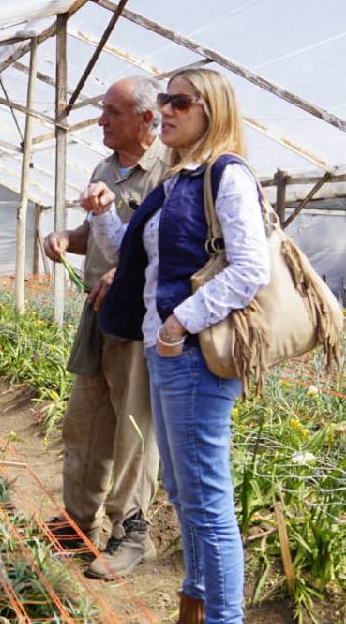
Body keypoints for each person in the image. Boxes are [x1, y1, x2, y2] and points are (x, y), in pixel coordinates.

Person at [83, 69, 269, 624]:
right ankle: (193, 606)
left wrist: (177, 324)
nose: (165, 108)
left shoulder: (227, 176)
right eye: (163, 99)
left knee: (208, 501)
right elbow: (133, 256)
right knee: (186, 495)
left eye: (179, 101)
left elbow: (250, 269)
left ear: (211, 111)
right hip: (166, 353)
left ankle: (223, 618)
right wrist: (101, 213)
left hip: (192, 356)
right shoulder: (176, 181)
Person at [42, 76, 167, 579]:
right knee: (85, 421)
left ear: (145, 119)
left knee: (134, 431)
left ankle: (132, 533)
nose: (101, 121)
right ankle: (78, 521)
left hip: (137, 322)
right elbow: (97, 236)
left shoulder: (166, 173)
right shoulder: (103, 168)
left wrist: (124, 272)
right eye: (102, 112)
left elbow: (168, 248)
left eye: (112, 113)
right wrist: (62, 237)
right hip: (97, 315)